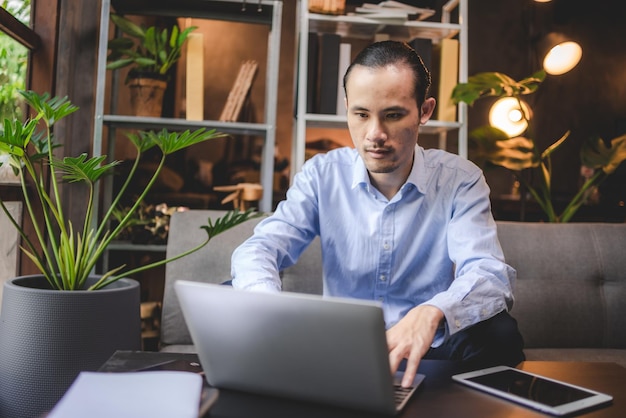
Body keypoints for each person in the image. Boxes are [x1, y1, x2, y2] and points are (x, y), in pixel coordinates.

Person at [231, 40, 525, 387]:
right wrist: (269, 308)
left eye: (393, 115)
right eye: (361, 114)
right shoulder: (322, 175)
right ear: (346, 109)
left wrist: (433, 311)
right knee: (235, 293)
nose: (375, 135)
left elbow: (489, 274)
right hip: (342, 350)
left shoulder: (461, 180)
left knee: (500, 332)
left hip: (430, 350)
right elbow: (259, 249)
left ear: (424, 111)